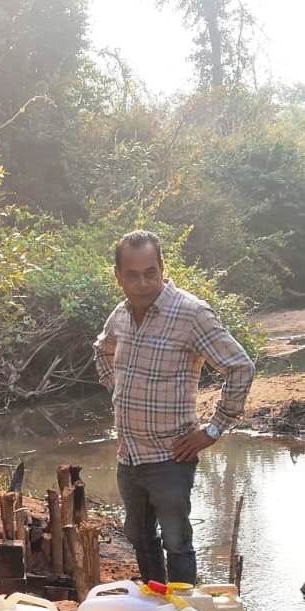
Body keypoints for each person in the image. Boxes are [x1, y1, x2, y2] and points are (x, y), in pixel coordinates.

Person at [93, 230, 255, 585]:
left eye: (150, 272)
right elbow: (102, 349)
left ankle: (182, 610)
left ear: (162, 268)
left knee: (177, 543)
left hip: (171, 457)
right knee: (139, 537)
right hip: (129, 456)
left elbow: (240, 366)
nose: (143, 283)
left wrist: (213, 429)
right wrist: (119, 390)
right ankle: (156, 602)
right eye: (133, 275)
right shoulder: (121, 315)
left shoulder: (191, 313)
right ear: (118, 276)